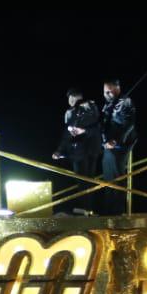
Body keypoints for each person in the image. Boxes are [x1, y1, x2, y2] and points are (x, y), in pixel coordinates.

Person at [53, 88, 103, 212]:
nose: (70, 101)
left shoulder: (90, 107)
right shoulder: (70, 112)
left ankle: (88, 209)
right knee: (81, 182)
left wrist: (83, 130)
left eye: (72, 98)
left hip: (90, 150)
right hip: (77, 151)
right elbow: (67, 133)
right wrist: (60, 150)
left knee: (88, 181)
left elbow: (98, 127)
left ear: (77, 97)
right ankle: (83, 208)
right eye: (69, 99)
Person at [99, 78, 137, 215]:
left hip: (120, 143)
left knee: (116, 175)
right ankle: (109, 209)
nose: (107, 94)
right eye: (105, 92)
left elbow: (129, 123)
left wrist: (116, 140)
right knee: (108, 175)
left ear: (117, 89)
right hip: (108, 144)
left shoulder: (125, 101)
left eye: (110, 91)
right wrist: (104, 140)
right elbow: (103, 124)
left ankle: (116, 210)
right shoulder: (108, 105)